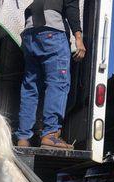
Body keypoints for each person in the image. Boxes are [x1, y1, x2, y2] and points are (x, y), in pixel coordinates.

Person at [15, 0, 86, 149]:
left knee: (30, 87)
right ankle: (50, 134)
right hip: (52, 32)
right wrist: (78, 39)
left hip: (29, 33)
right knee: (58, 83)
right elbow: (71, 7)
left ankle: (23, 138)